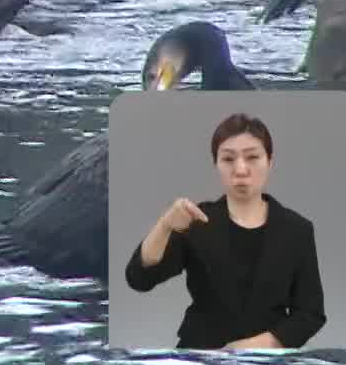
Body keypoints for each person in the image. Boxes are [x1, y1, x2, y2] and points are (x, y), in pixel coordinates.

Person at [124, 113, 327, 349]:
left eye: (252, 157)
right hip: (199, 358)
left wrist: (253, 346)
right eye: (228, 159)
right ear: (216, 164)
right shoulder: (196, 220)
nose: (240, 170)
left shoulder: (297, 230)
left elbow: (310, 314)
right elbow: (140, 278)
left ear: (270, 162)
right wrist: (164, 225)